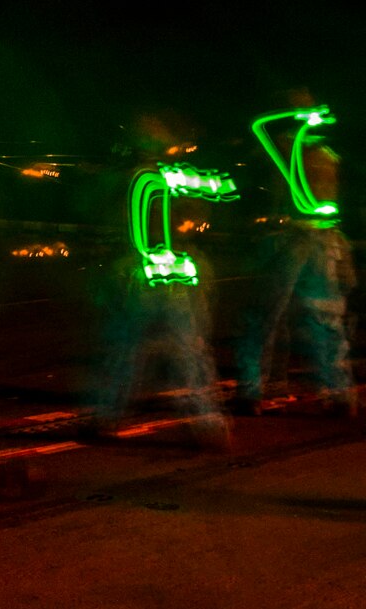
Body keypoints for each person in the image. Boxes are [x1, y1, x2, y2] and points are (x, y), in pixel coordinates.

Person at [82, 112, 233, 451]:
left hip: (141, 271)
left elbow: (102, 215)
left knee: (127, 347)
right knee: (187, 351)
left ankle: (107, 415)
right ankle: (208, 422)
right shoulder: (169, 178)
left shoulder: (129, 178)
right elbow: (201, 214)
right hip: (169, 272)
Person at [232, 88, 358, 418]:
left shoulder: (323, 150)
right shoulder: (283, 145)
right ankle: (253, 391)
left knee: (321, 317)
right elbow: (259, 132)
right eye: (301, 108)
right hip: (288, 238)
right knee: (269, 316)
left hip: (316, 237)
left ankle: (338, 391)